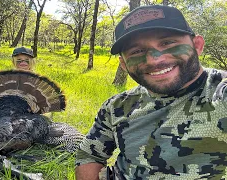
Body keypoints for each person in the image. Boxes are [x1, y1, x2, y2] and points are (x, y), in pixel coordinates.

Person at [75, 5, 227, 180]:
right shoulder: (117, 106)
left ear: (197, 45)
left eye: (167, 43)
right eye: (137, 51)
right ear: (124, 64)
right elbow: (89, 155)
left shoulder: (218, 93)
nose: (154, 59)